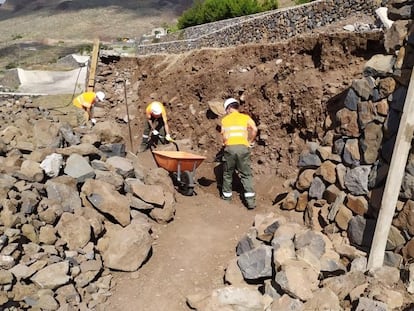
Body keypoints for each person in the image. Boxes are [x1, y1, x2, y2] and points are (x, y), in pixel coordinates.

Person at [220, 97, 258, 209]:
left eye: (226, 109)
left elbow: (224, 136)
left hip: (230, 148)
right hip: (243, 148)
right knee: (246, 174)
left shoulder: (224, 120)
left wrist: (225, 144)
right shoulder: (245, 118)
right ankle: (250, 202)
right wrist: (249, 142)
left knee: (227, 173)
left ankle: (226, 199)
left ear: (229, 108)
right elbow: (254, 130)